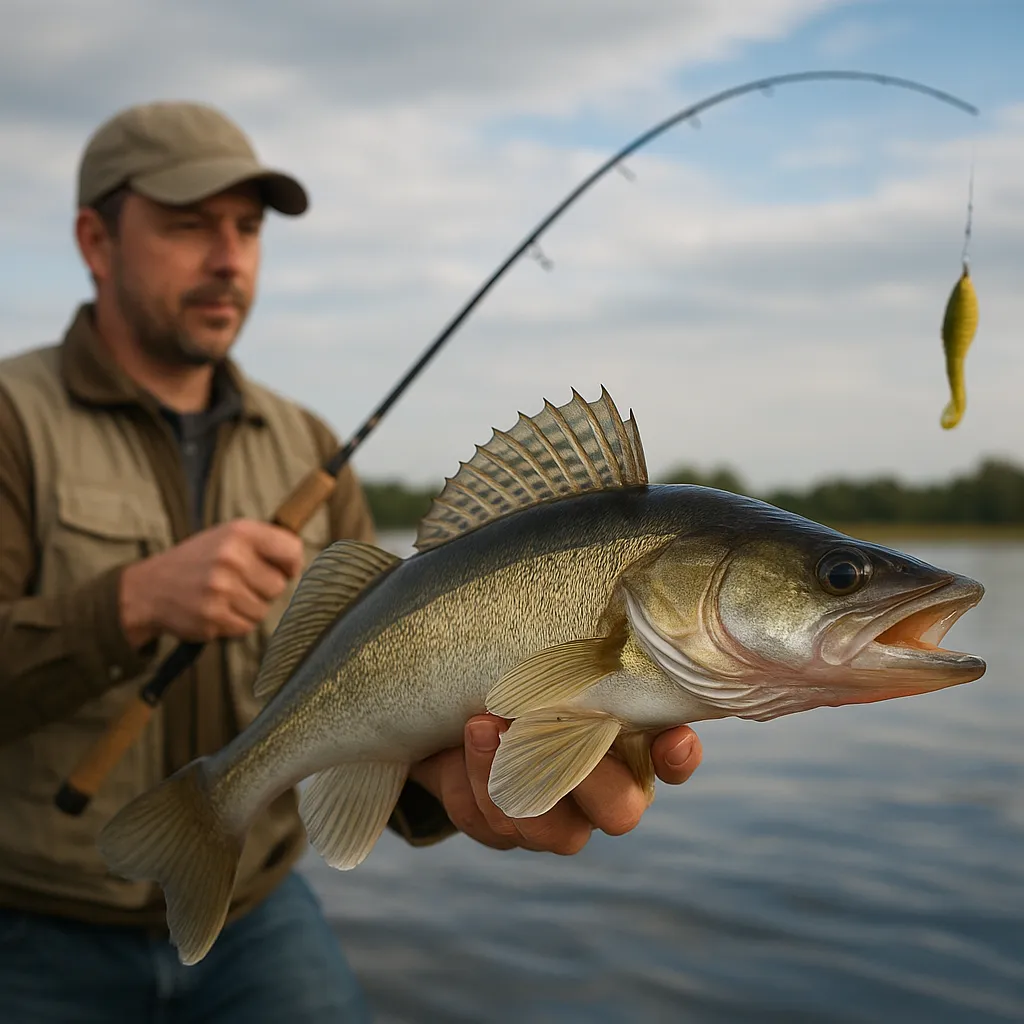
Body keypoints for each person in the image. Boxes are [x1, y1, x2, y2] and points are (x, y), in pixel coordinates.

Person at [0, 100, 704, 1023]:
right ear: (95, 239)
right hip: (31, 922)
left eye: (247, 228)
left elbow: (381, 704)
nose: (229, 258)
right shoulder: (13, 422)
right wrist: (127, 604)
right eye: (187, 226)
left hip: (258, 912)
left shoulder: (309, 444)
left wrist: (457, 784)